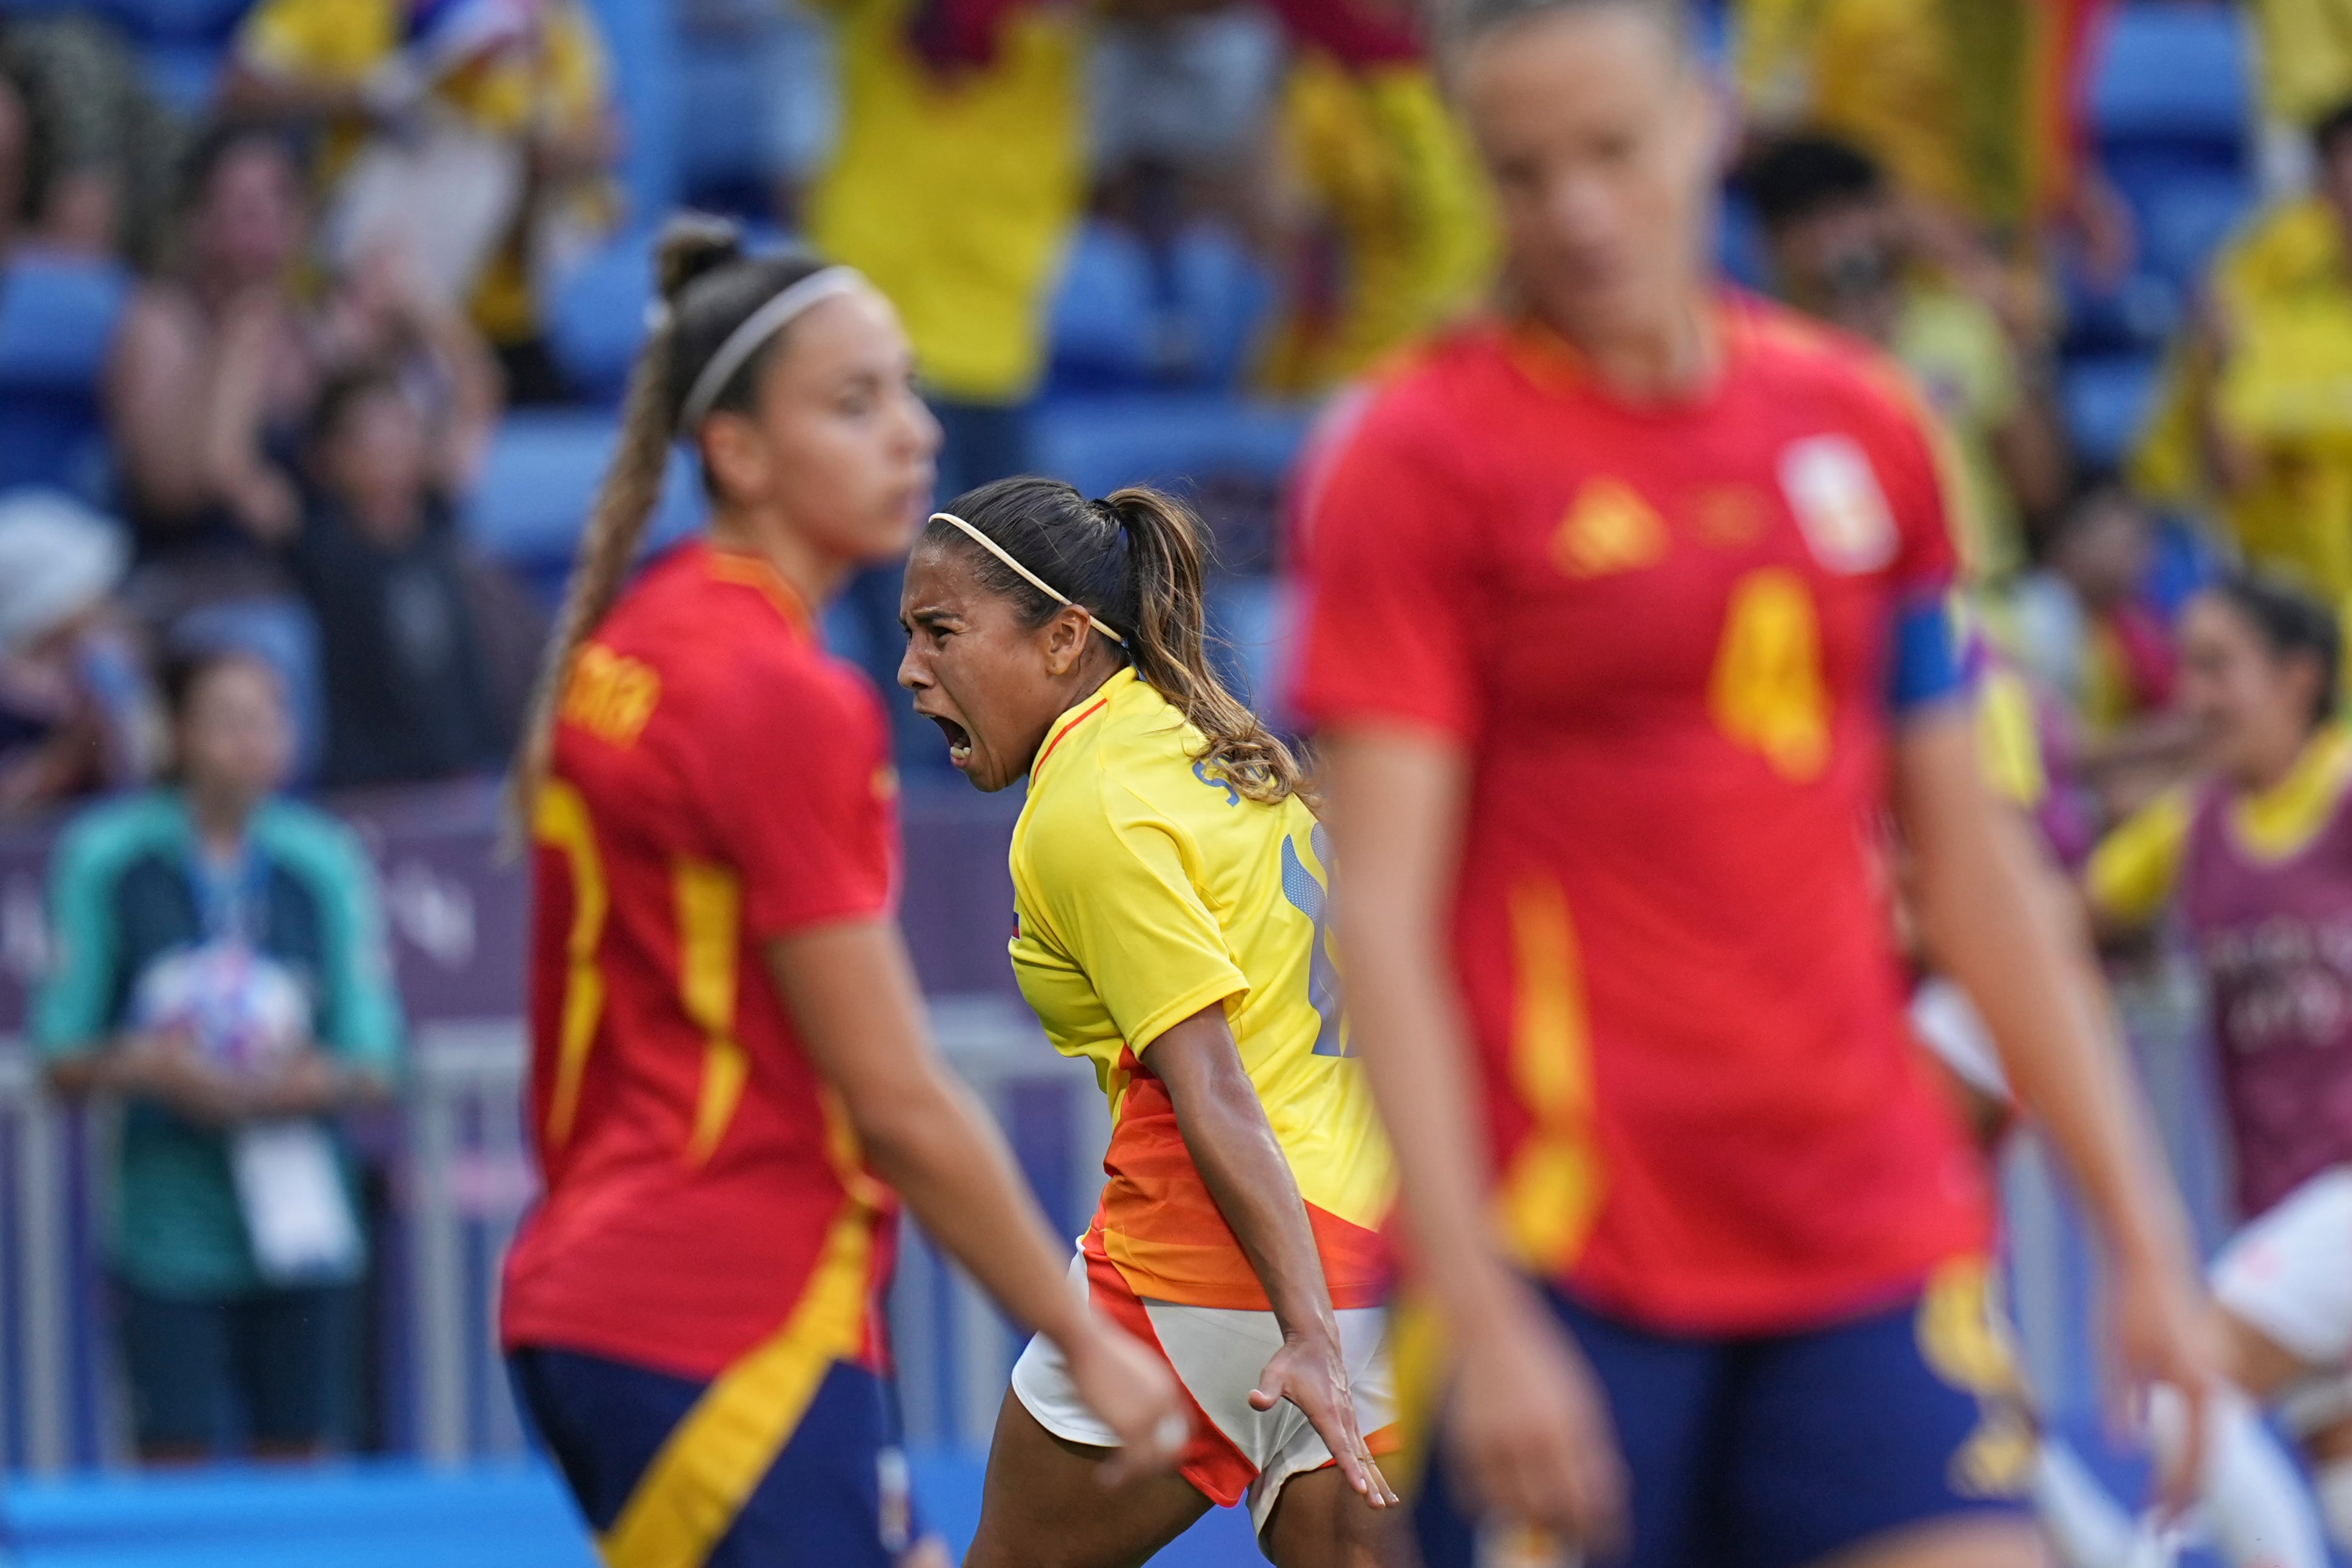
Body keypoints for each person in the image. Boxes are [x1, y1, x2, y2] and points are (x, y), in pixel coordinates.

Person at [1288, 2, 2219, 1564]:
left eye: (1613, 151)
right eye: (1522, 172)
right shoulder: (1415, 459)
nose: (1576, 210)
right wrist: (1479, 1299)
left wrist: (2143, 1237)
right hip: (1568, 1249)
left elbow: (1979, 870)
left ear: (1708, 118)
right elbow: (1374, 916)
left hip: (1859, 1223)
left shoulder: (1861, 421)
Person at [496, 218, 1184, 1566]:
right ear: (736, 453)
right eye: (853, 402)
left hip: (618, 1298)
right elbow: (899, 1101)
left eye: (910, 391)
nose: (913, 435)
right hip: (715, 1305)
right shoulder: (776, 692)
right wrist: (1084, 1344)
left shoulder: (639, 639)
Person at [896, 477, 1398, 1564]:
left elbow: (1213, 1081)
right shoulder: (1221, 748)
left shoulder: (1088, 801)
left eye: (942, 632)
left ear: (1065, 638)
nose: (910, 671)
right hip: (1368, 1269)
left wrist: (1298, 1326)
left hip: (1206, 1273)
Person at [34, 646, 400, 1461]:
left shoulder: (324, 856)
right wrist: (149, 1067)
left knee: (298, 1459)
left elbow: (376, 1050)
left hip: (303, 1225)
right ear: (178, 732)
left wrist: (318, 1078)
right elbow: (59, 1050)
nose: (253, 741)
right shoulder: (106, 856)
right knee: (175, 1466)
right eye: (229, 720)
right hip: (168, 1230)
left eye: (270, 718)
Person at [2083, 573, 2352, 1563]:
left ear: (2298, 678)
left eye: (2218, 666)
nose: (2192, 695)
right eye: (2185, 667)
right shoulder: (2188, 829)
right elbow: (2044, 933)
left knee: (2179, 1389)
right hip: (2289, 1203)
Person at [221, 0, 618, 401]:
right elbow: (242, 87)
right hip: (363, 303)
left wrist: (532, 153)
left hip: (502, 314)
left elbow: (604, 137)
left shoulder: (538, 14)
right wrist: (364, 94)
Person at [1743, 133, 2065, 586]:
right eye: (1810, 221)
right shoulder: (1762, 362)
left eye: (1849, 210)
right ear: (1771, 246)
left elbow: (2040, 491)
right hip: (1848, 606)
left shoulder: (1961, 329)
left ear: (1889, 217)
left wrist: (2022, 346)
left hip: (1983, 596)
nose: (1837, 237)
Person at [2135, 98, 2352, 607]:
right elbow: (2235, 473)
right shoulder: (2272, 317)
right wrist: (2217, 359)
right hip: (2297, 620)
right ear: (2323, 195)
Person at [105, 123, 313, 561]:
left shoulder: (311, 332)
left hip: (309, 582)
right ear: (197, 221)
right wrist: (232, 348)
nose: (264, 223)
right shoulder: (161, 323)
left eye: (278, 203)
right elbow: (167, 491)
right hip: (194, 576)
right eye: (243, 207)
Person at [0, 493, 167, 815]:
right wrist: (65, 758)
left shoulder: (112, 662)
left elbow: (148, 768)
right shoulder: (13, 703)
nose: (105, 603)